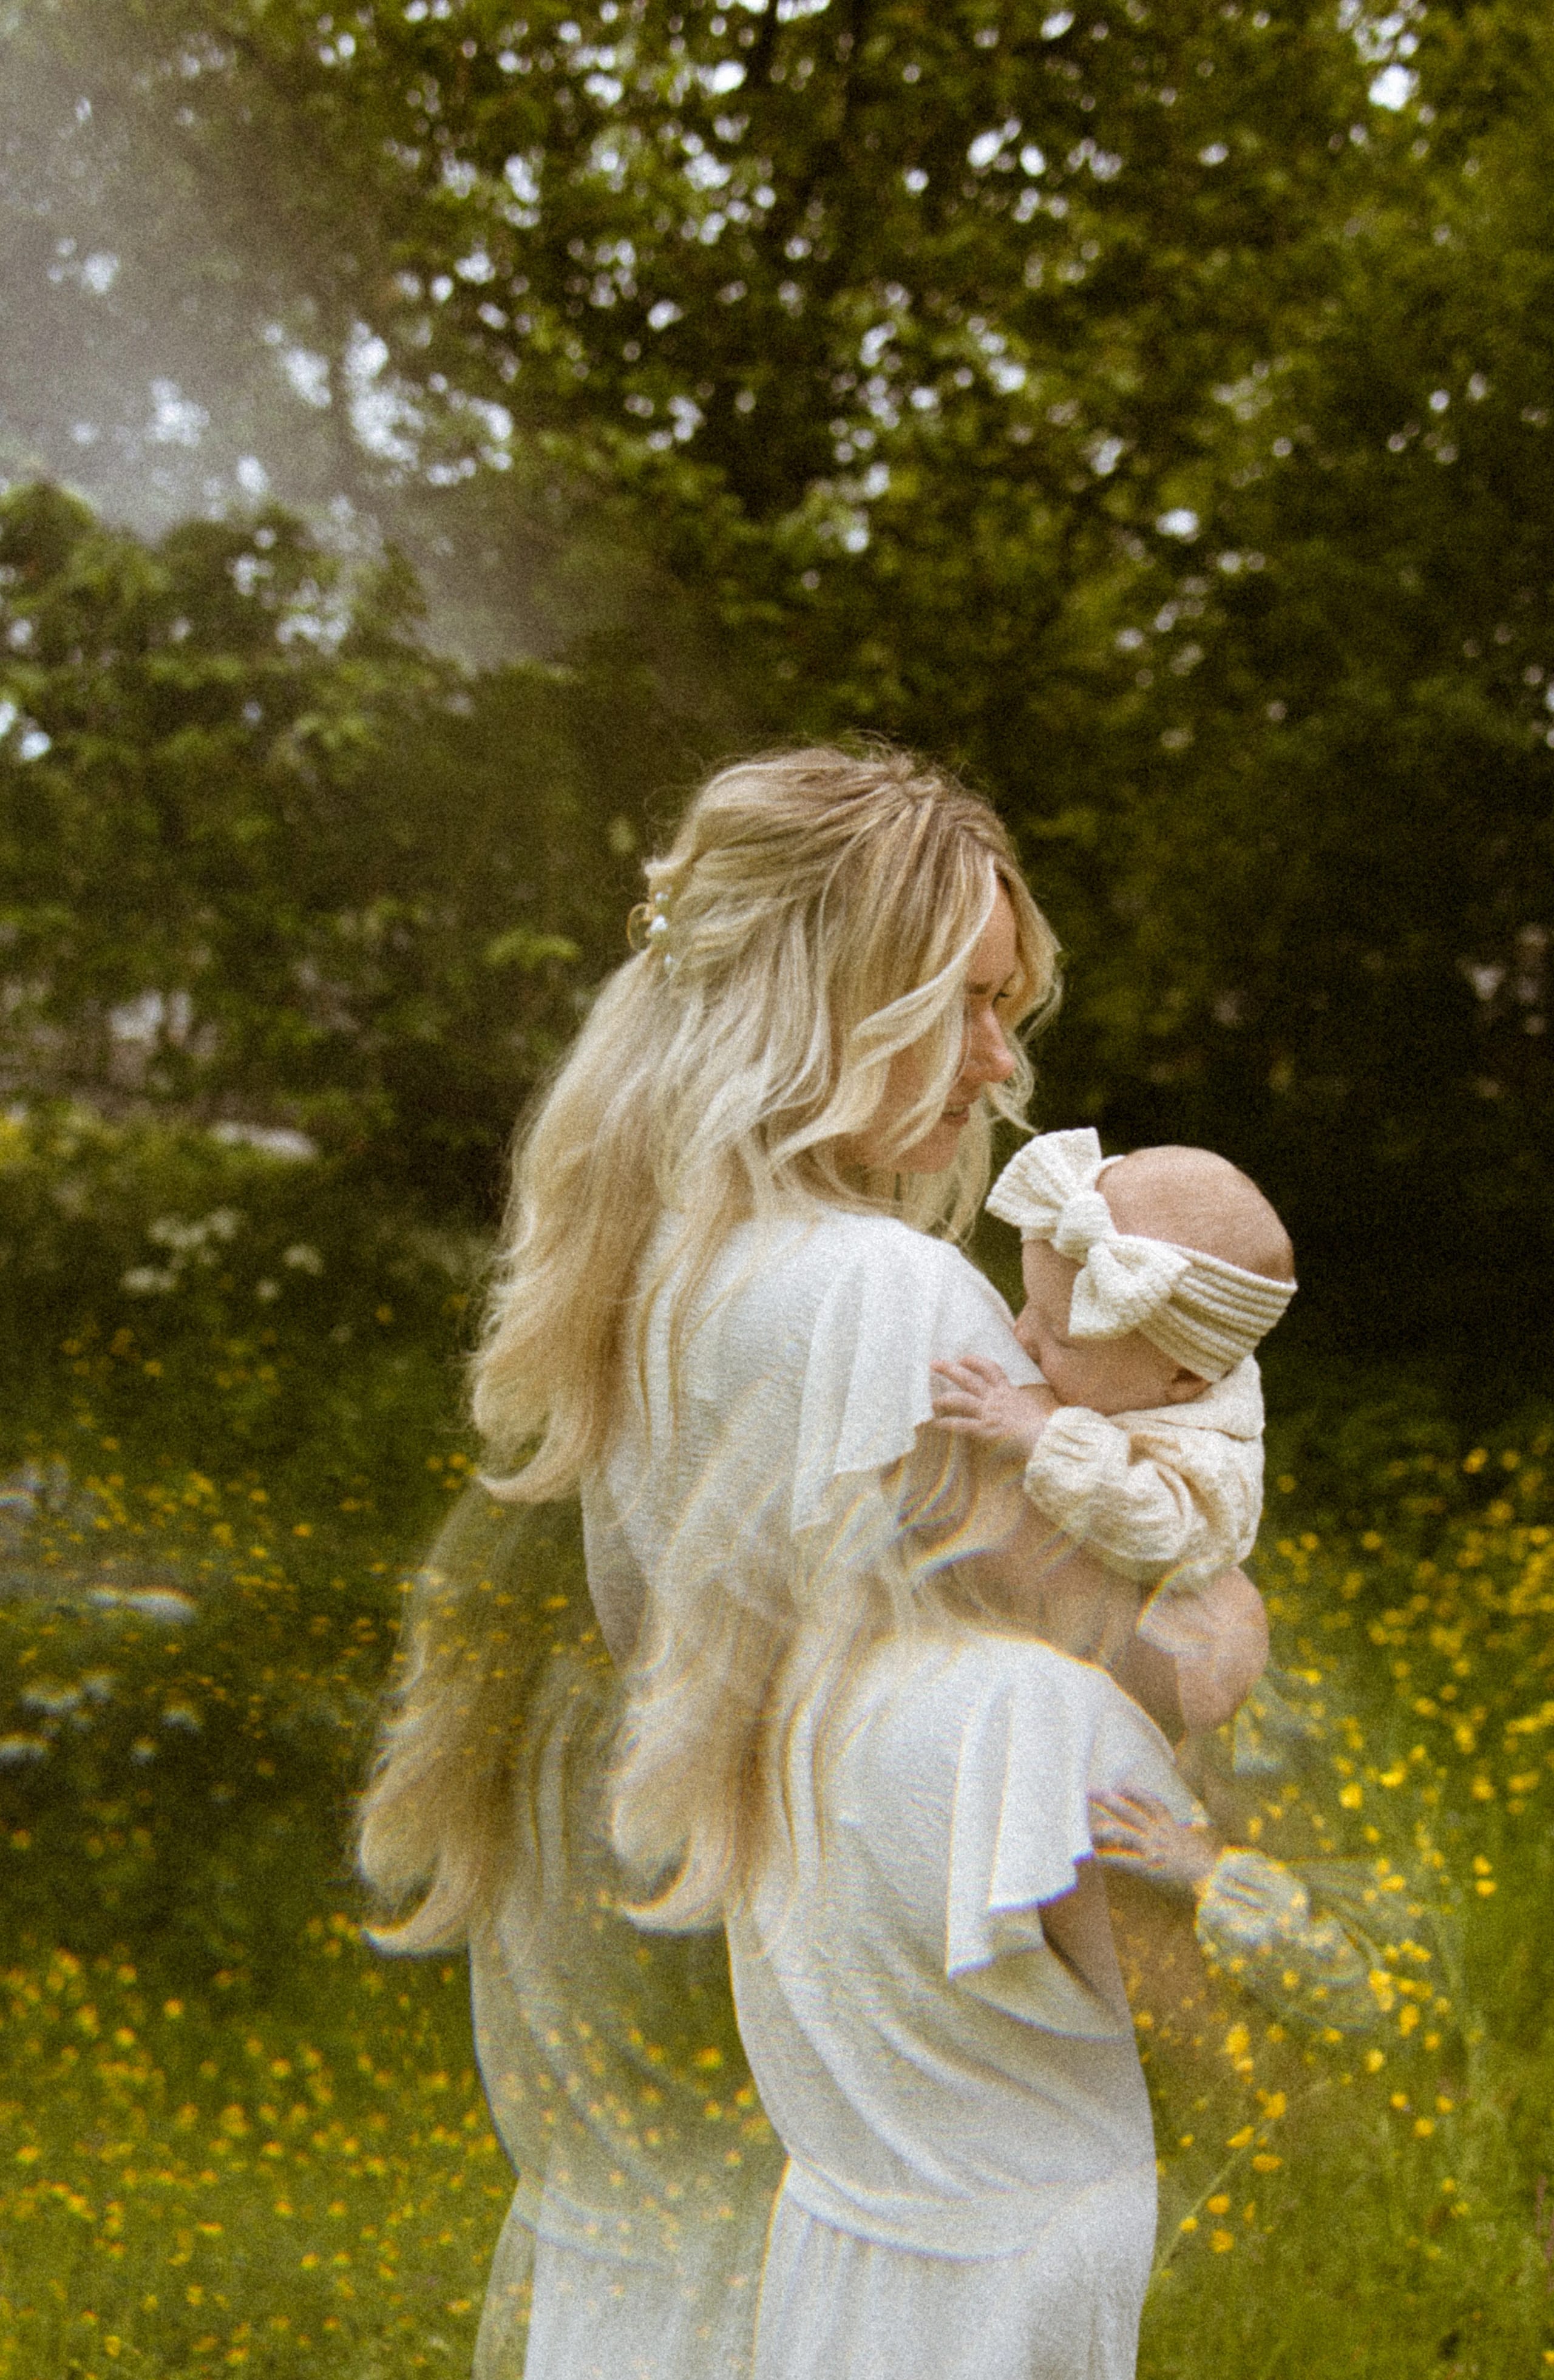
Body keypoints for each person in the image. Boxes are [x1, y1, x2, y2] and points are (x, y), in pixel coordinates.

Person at [353, 744, 1319, 2380]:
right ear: (832, 1000)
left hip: (801, 1969)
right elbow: (1106, 1687)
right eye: (966, 1002)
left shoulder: (667, 1282)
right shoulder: (888, 1293)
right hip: (956, 2025)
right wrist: (1227, 1608)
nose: (1005, 1061)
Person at [929, 1127, 1295, 1731]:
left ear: (1181, 1378)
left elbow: (1162, 1529)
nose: (1022, 1337)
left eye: (1062, 1336)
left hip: (1146, 1652)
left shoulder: (1209, 1456)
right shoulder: (1139, 1376)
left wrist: (1045, 1437)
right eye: (1028, 1306)